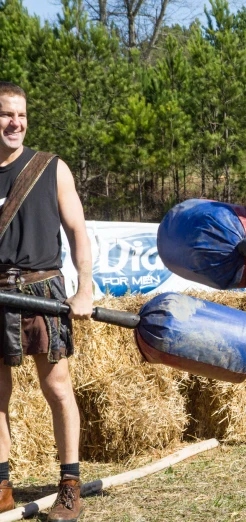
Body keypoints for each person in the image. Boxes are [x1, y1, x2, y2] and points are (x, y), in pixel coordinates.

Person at [0, 81, 93, 521]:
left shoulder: (50, 167)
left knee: (57, 388)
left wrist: (84, 287)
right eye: (5, 114)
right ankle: (1, 485)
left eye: (20, 114)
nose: (14, 122)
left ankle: (69, 485)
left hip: (42, 290)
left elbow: (77, 231)